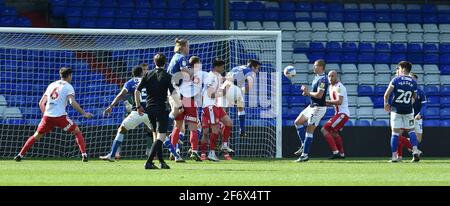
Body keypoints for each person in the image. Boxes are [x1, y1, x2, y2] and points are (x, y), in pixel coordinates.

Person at [14, 67, 93, 162]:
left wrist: (46, 116)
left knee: (36, 135)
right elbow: (72, 102)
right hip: (60, 117)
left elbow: (41, 103)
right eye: (71, 75)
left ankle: (20, 155)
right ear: (69, 76)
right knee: (77, 131)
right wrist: (84, 113)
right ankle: (84, 155)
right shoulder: (68, 86)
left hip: (47, 116)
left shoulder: (52, 85)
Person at [100, 65, 158, 161]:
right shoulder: (149, 81)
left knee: (121, 129)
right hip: (149, 112)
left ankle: (112, 154)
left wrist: (111, 106)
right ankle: (175, 154)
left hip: (137, 112)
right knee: (159, 133)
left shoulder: (130, 82)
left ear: (133, 74)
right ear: (141, 73)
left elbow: (121, 95)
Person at [136, 53, 181, 169]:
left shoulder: (147, 75)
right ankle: (149, 161)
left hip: (149, 108)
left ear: (154, 62)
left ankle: (161, 162)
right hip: (161, 109)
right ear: (165, 63)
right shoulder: (168, 76)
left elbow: (137, 91)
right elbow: (174, 93)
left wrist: (138, 106)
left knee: (156, 136)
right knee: (161, 136)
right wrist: (179, 106)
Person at [384, 61, 421, 163]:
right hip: (408, 110)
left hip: (396, 110)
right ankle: (415, 152)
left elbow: (386, 94)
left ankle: (394, 157)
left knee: (395, 133)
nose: (398, 70)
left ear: (403, 68)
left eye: (399, 68)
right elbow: (415, 97)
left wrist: (386, 104)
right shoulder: (413, 81)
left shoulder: (395, 80)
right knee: (411, 131)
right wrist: (410, 104)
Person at [293, 59, 329, 162]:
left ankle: (305, 155)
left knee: (309, 130)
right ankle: (304, 144)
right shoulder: (316, 78)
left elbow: (319, 95)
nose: (314, 67)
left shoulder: (323, 80)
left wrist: (308, 92)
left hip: (318, 108)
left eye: (316, 66)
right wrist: (306, 92)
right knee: (298, 122)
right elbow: (314, 93)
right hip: (312, 106)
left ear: (321, 67)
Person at [201, 58, 233, 161]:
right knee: (215, 130)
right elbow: (211, 94)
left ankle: (224, 145)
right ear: (217, 67)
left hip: (216, 105)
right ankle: (211, 153)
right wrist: (223, 92)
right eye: (222, 67)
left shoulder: (218, 76)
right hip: (210, 105)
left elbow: (224, 80)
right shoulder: (210, 77)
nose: (223, 68)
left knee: (228, 123)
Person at [225, 59, 261, 139]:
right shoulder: (249, 72)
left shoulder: (237, 67)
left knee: (225, 111)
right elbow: (248, 88)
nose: (258, 71)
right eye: (257, 68)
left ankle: (239, 130)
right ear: (252, 67)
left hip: (224, 87)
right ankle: (242, 129)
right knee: (240, 107)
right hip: (232, 88)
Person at [321, 70, 349, 159]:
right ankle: (341, 154)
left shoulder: (339, 87)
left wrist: (325, 101)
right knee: (334, 133)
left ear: (336, 77)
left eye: (332, 76)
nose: (330, 78)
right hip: (338, 113)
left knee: (324, 129)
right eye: (329, 76)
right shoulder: (330, 87)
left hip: (342, 114)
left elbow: (339, 102)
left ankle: (335, 152)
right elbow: (332, 102)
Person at [397, 72, 425, 160]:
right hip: (406, 115)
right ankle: (400, 156)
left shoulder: (420, 92)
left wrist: (420, 114)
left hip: (417, 117)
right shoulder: (404, 91)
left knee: (418, 140)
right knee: (397, 135)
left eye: (413, 79)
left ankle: (413, 149)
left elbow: (425, 105)